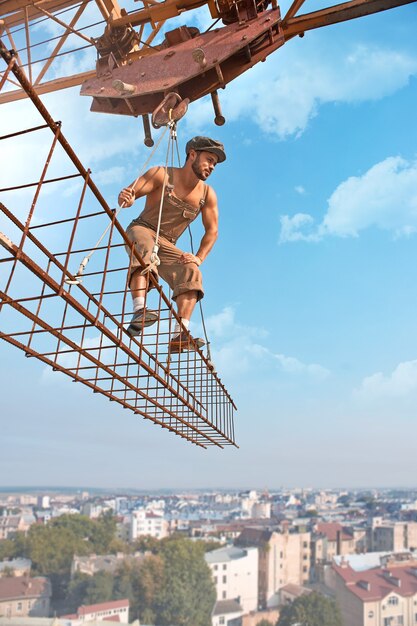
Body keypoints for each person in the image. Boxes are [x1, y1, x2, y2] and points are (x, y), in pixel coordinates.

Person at [118, 136, 226, 352]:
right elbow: (131, 193)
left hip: (168, 243)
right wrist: (127, 198)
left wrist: (198, 257)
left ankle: (179, 335)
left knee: (191, 270)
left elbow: (212, 230)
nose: (212, 166)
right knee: (145, 248)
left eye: (215, 163)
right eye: (209, 159)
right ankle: (139, 310)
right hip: (143, 229)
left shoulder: (207, 194)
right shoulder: (161, 174)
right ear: (192, 155)